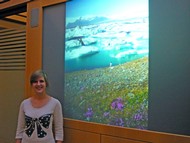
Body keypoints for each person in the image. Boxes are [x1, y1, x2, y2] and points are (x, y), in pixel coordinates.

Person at [15, 70, 63, 143]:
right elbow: (19, 130)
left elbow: (59, 131)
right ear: (31, 84)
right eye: (35, 82)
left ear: (46, 83)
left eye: (41, 81)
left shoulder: (55, 103)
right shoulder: (24, 104)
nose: (38, 84)